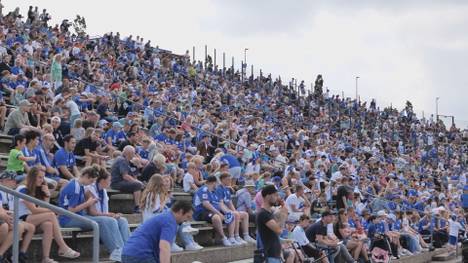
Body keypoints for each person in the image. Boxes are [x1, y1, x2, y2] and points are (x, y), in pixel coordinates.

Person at [16, 167, 80, 263]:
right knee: (50, 215)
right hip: (20, 218)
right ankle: (63, 247)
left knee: (48, 225)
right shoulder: (23, 189)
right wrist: (54, 210)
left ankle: (45, 258)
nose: (42, 180)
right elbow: (34, 210)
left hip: (32, 219)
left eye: (43, 178)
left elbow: (43, 207)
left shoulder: (36, 189)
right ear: (32, 177)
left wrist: (47, 195)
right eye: (39, 177)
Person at [140, 174, 202, 252]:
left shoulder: (151, 193)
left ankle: (189, 242)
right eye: (162, 183)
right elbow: (157, 210)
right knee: (175, 217)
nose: (163, 185)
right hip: (151, 219)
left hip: (154, 217)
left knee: (179, 219)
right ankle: (177, 243)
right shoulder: (152, 194)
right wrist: (165, 200)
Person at [121, 200, 194, 263]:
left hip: (128, 253)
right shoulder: (170, 221)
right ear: (180, 212)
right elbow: (164, 247)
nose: (188, 220)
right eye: (187, 216)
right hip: (140, 255)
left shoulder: (166, 216)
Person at [85, 165, 130, 262]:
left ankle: (128, 251)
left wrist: (113, 214)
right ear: (102, 181)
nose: (110, 182)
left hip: (102, 216)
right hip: (89, 217)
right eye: (109, 180)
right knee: (110, 220)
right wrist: (110, 215)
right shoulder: (89, 189)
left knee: (122, 220)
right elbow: (92, 212)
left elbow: (104, 211)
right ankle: (118, 252)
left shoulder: (104, 191)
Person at [0, 171, 35, 263]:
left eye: (15, 180)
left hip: (8, 218)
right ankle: (5, 254)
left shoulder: (11, 193)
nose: (15, 182)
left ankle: (13, 254)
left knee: (27, 227)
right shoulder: (1, 191)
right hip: (4, 219)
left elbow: (10, 211)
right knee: (12, 227)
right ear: (3, 181)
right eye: (12, 180)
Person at [256, 184, 294, 263]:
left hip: (274, 254)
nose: (277, 198)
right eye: (275, 195)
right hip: (269, 256)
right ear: (268, 196)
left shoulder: (269, 213)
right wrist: (283, 215)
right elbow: (279, 230)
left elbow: (274, 234)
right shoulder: (263, 214)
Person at [193, 175, 235, 246]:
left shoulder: (213, 192)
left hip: (212, 211)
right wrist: (219, 213)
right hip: (201, 212)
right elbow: (206, 204)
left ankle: (232, 237)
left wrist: (227, 212)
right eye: (217, 183)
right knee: (216, 217)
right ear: (214, 183)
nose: (217, 185)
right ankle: (223, 238)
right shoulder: (203, 189)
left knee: (231, 215)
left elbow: (219, 204)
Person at [216, 172, 256, 244]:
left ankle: (246, 235)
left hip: (228, 209)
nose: (230, 181)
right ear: (222, 180)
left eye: (230, 179)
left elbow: (230, 203)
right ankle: (234, 237)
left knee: (245, 214)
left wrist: (234, 211)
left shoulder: (227, 189)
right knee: (236, 214)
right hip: (221, 211)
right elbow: (220, 204)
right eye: (228, 179)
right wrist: (229, 211)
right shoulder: (219, 189)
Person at [110, 145, 144, 213]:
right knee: (137, 185)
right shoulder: (121, 160)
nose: (134, 155)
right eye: (133, 153)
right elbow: (125, 176)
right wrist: (137, 182)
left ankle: (142, 205)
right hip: (117, 183)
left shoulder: (126, 160)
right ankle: (136, 207)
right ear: (128, 153)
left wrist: (137, 167)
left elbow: (132, 175)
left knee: (141, 185)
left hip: (122, 182)